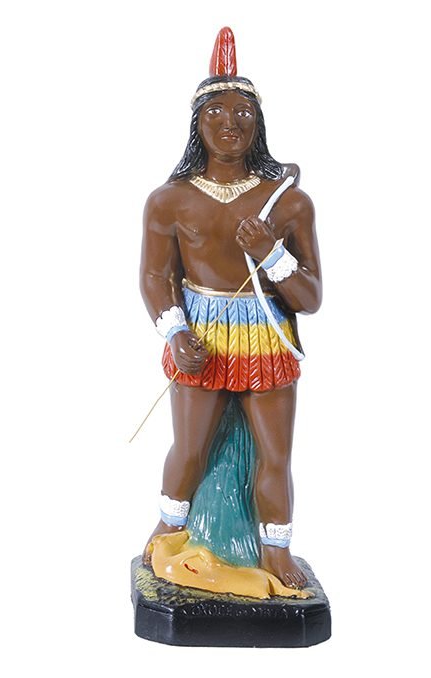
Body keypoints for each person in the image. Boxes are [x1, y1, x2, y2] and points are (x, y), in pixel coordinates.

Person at [139, 28, 322, 589]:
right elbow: (155, 277)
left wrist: (271, 254)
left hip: (265, 336)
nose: (230, 122)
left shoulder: (288, 203)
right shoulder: (169, 201)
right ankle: (169, 527)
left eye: (243, 112)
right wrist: (175, 334)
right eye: (216, 111)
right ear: (197, 124)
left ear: (258, 124)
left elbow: (311, 297)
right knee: (189, 447)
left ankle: (275, 550)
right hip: (202, 334)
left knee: (275, 454)